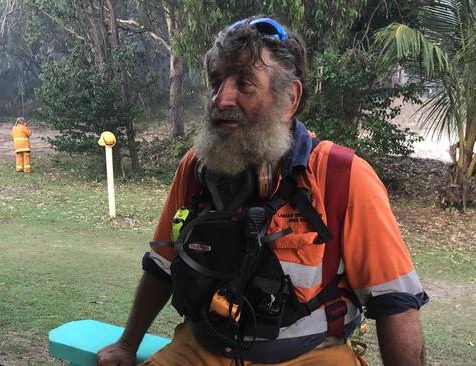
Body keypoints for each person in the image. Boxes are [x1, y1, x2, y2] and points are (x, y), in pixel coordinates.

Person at [97, 16, 428, 366]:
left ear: (290, 99)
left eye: (244, 83)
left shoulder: (344, 178)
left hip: (313, 356)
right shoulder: (195, 168)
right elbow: (162, 267)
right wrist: (127, 345)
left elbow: (396, 304)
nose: (222, 98)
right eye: (216, 82)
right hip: (200, 348)